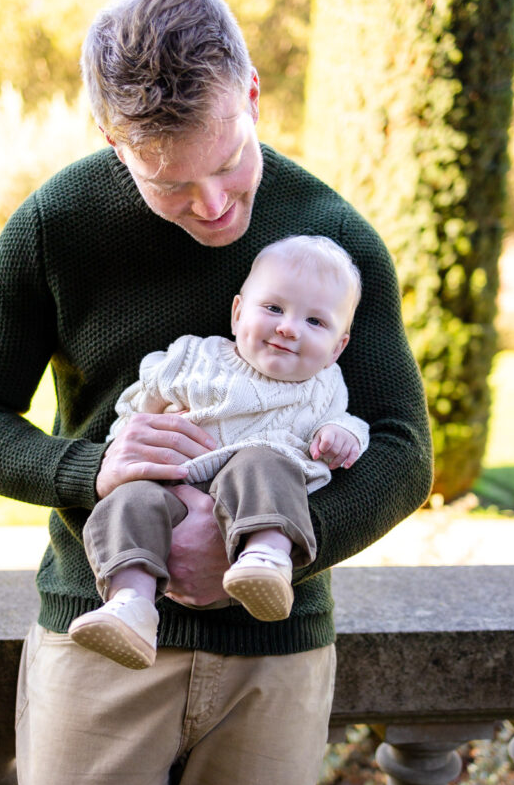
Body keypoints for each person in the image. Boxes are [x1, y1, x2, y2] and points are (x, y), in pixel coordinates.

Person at [0, 0, 432, 785]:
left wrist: (291, 538)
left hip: (272, 658)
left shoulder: (334, 239)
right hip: (98, 644)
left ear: (250, 94)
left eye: (229, 166)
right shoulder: (57, 224)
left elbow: (404, 448)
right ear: (112, 141)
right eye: (168, 182)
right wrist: (90, 473)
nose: (211, 208)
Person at [71, 235, 369, 669]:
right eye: (273, 308)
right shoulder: (191, 357)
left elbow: (349, 423)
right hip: (171, 483)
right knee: (127, 502)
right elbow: (137, 412)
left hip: (254, 490)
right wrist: (125, 451)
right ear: (237, 313)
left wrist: (341, 435)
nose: (288, 327)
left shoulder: (324, 387)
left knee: (265, 462)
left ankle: (266, 558)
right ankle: (131, 603)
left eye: (315, 322)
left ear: (337, 348)